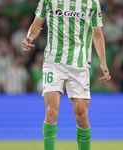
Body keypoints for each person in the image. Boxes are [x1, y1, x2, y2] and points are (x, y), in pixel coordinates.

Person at [22, 0, 111, 150]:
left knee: (82, 117)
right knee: (51, 112)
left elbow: (97, 35)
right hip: (54, 62)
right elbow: (37, 24)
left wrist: (103, 62)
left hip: (80, 65)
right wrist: (30, 37)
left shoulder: (92, 3)